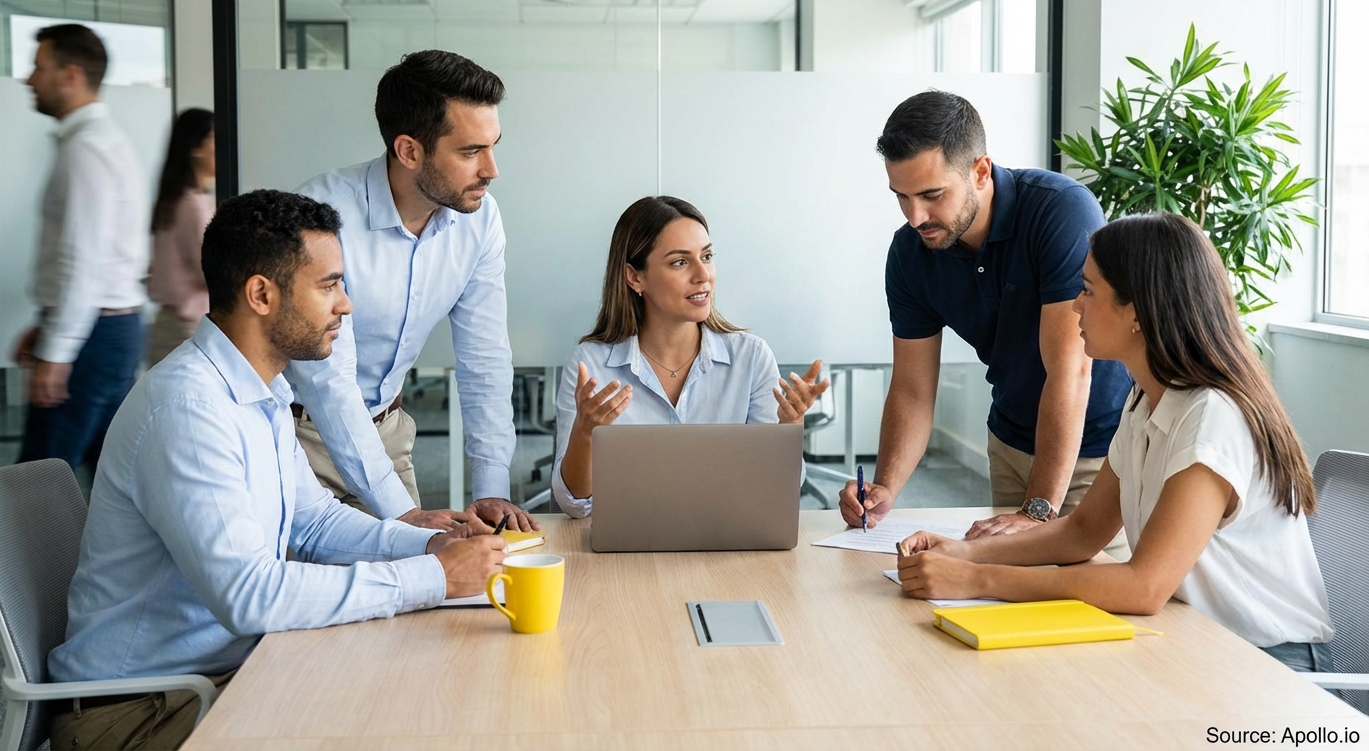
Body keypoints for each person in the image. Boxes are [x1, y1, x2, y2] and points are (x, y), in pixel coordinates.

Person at [46, 189, 508, 751]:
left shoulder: (259, 392)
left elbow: (314, 525)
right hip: (137, 710)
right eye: (329, 284)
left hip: (218, 674)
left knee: (415, 691)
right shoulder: (190, 410)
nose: (346, 305)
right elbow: (249, 596)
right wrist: (434, 579)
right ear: (262, 294)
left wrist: (429, 546)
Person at [896, 213, 1334, 672]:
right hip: (1194, 643)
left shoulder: (1212, 418)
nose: (1075, 308)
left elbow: (1143, 587)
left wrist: (976, 579)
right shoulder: (1146, 399)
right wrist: (963, 551)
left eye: (1087, 291)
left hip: (1268, 666)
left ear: (1138, 314)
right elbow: (1082, 532)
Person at [839, 90, 1133, 545]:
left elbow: (1070, 372)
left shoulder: (1059, 211)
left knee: (1081, 601)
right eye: (901, 197)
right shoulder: (909, 254)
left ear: (980, 171)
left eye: (932, 195)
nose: (916, 216)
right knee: (1004, 598)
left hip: (1095, 453)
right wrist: (884, 488)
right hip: (1011, 441)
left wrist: (1037, 510)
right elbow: (913, 390)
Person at [290, 50, 537, 534]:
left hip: (388, 433)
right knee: (327, 599)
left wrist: (491, 488)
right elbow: (329, 381)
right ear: (409, 151)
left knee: (426, 591)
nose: (492, 169)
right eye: (470, 152)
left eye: (493, 146)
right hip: (298, 437)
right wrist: (400, 512)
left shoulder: (479, 219)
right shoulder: (321, 216)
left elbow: (484, 356)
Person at [552, 196, 830, 517]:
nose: (703, 275)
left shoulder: (750, 358)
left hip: (726, 543)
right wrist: (585, 433)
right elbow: (573, 502)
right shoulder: (591, 363)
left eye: (707, 256)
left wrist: (790, 425)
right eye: (680, 262)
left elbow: (778, 489)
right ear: (634, 277)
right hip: (627, 554)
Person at [13, 23, 148, 470]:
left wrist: (59, 348)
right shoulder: (99, 141)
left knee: (38, 480)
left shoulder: (87, 149)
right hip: (106, 329)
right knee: (111, 478)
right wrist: (51, 325)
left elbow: (83, 262)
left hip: (95, 335)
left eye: (38, 68)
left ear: (70, 75)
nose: (29, 79)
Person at [147, 107, 216, 365]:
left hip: (172, 323)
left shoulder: (174, 200)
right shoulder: (194, 205)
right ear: (196, 149)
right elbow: (209, 270)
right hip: (188, 327)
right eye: (215, 140)